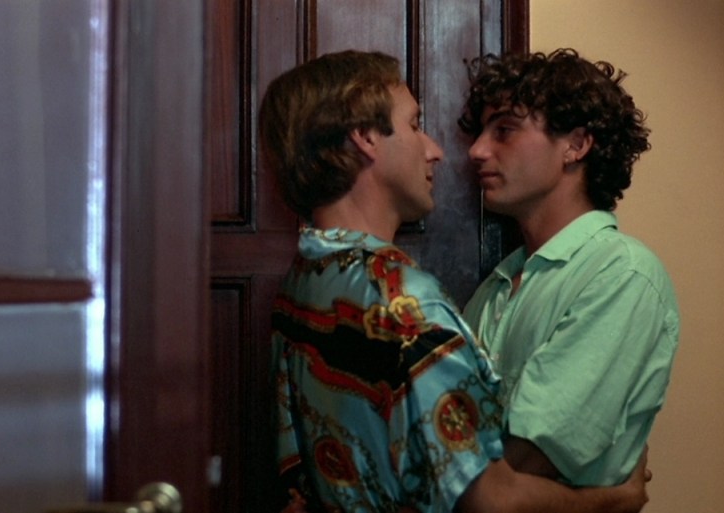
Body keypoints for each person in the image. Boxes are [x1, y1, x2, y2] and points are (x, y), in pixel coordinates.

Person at [261, 49, 649, 513]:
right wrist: (615, 500)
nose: (438, 149)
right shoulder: (407, 304)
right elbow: (488, 499)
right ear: (365, 137)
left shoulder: (301, 283)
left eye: (504, 130)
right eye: (414, 124)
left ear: (577, 146)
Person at [459, 48, 680, 487]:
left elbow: (529, 458)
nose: (477, 151)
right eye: (481, 132)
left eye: (504, 130)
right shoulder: (497, 285)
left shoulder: (621, 275)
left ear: (576, 145)